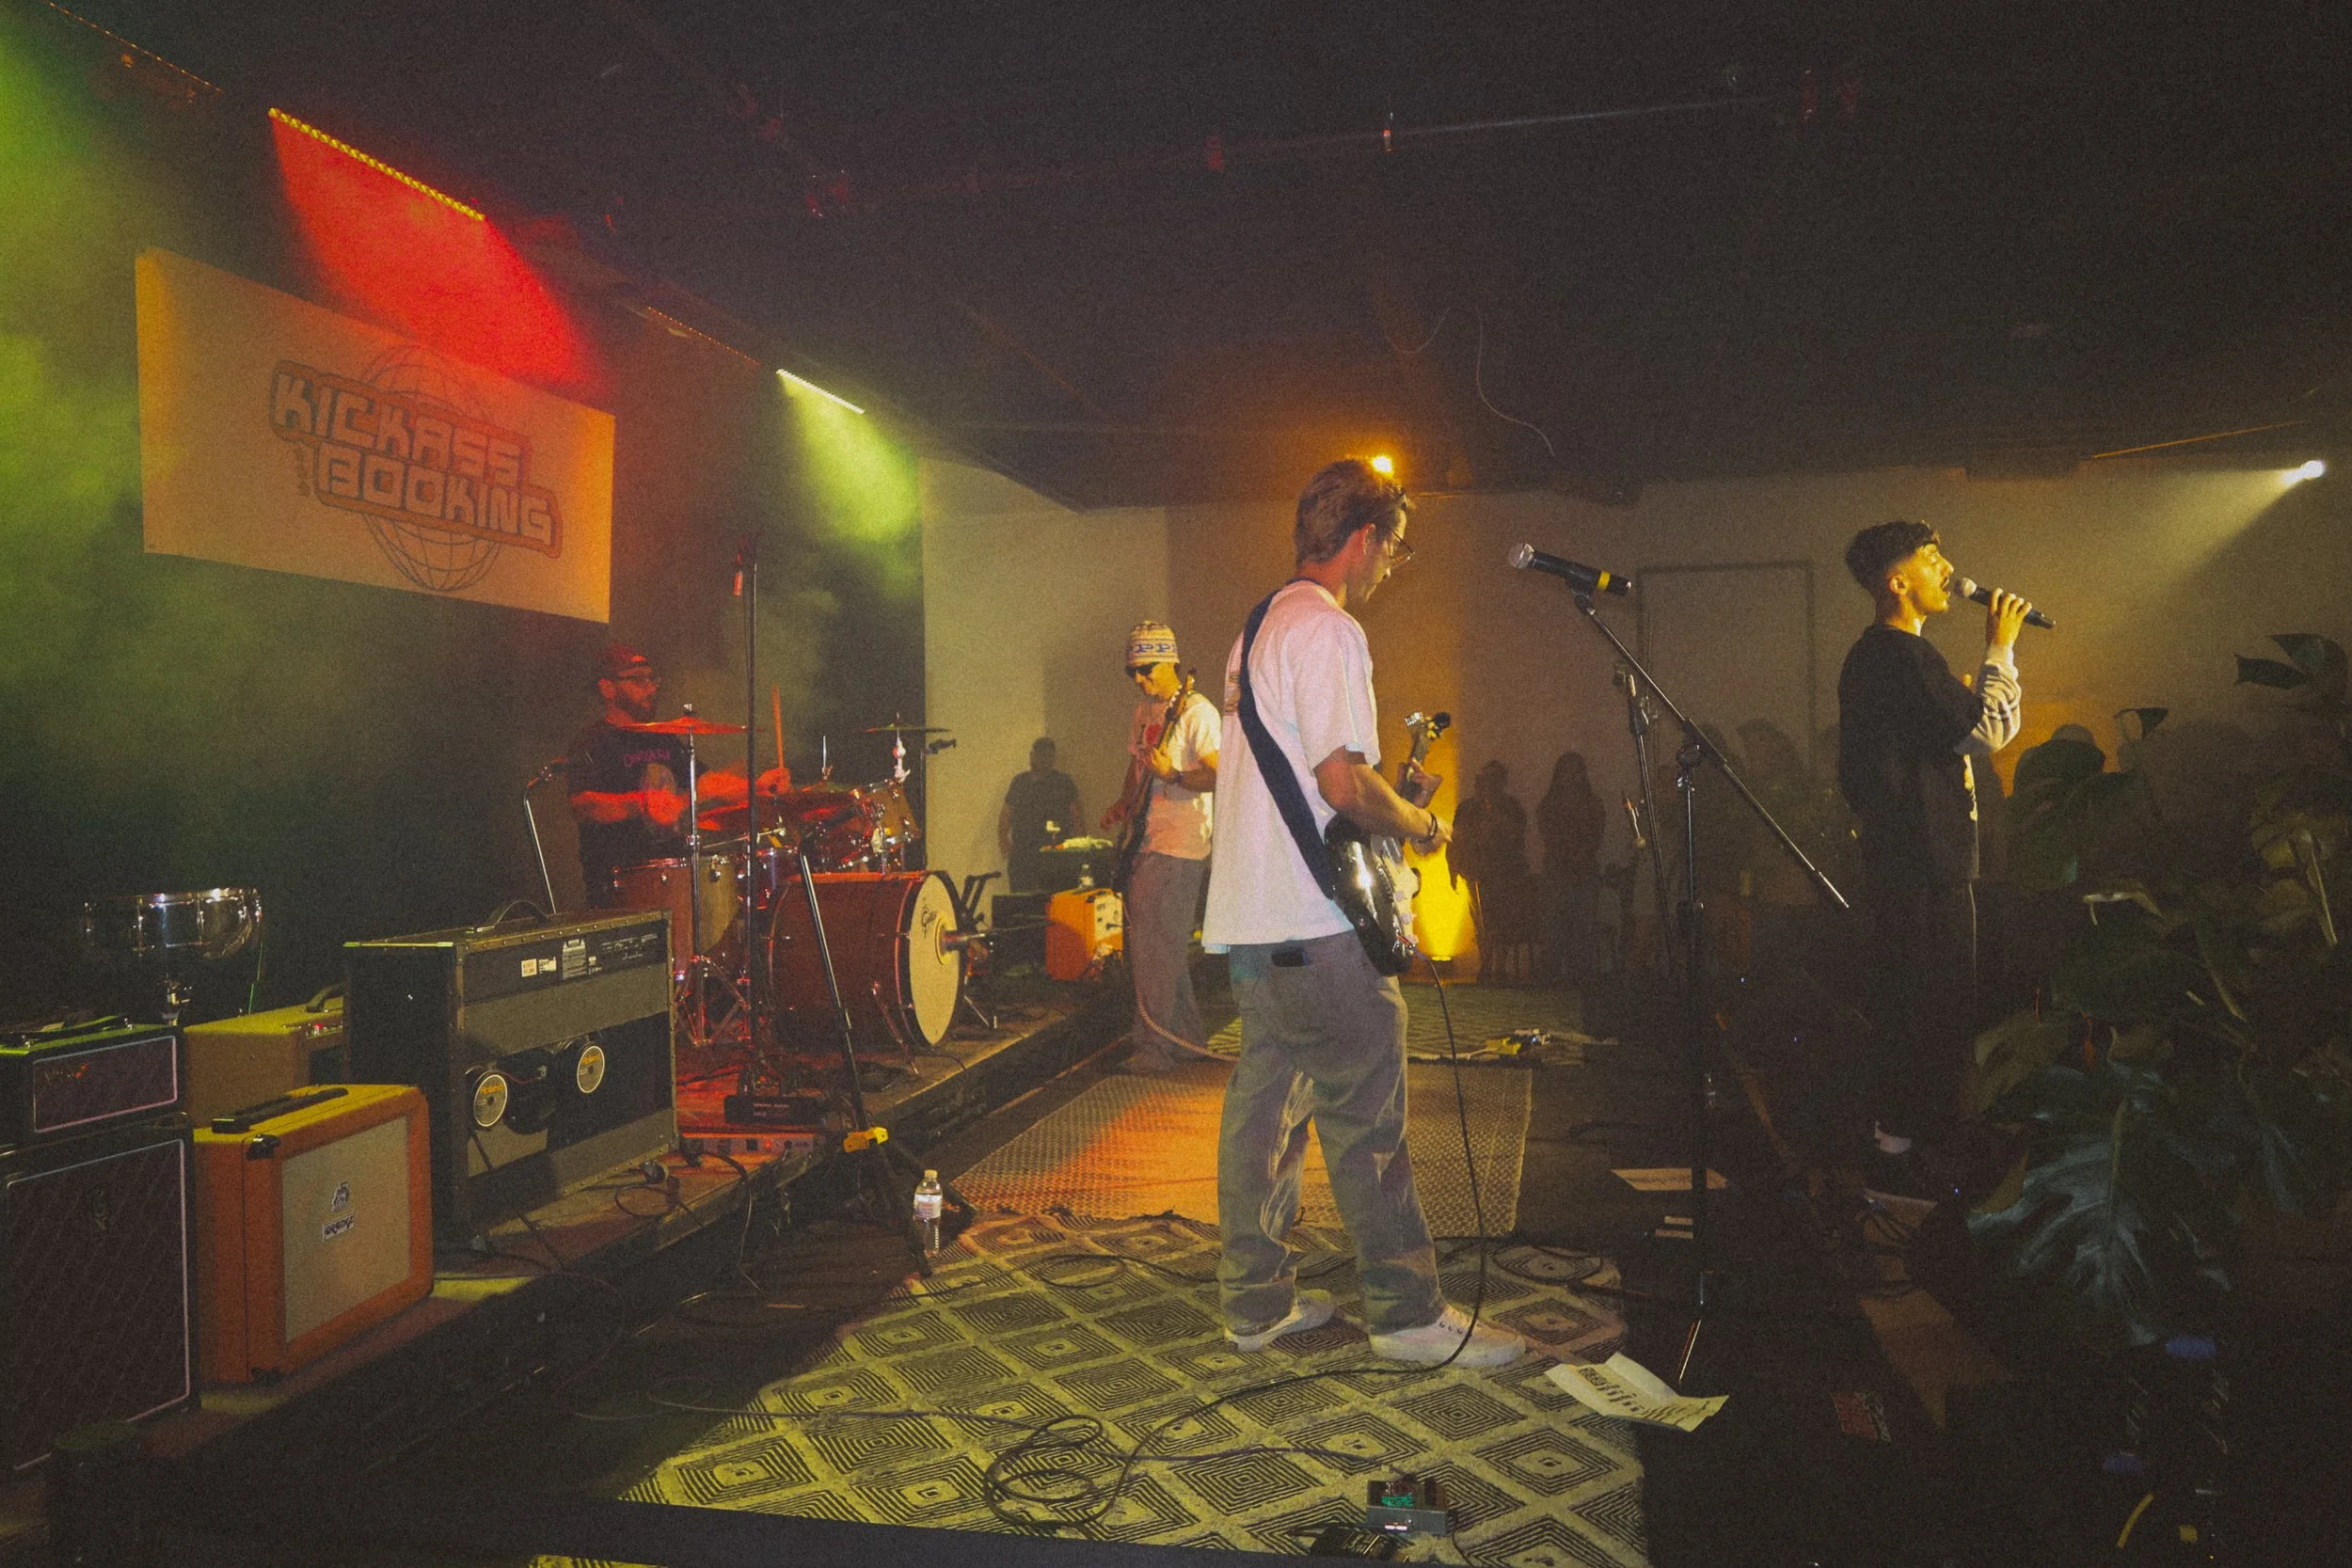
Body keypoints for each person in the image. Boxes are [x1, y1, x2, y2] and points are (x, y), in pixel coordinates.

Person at [1202, 457, 1529, 1368]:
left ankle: (1255, 1303)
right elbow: (1341, 781)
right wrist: (1422, 820)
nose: (1389, 563)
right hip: (1315, 922)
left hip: (1251, 922)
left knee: (1263, 1114)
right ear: (1363, 538)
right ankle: (1407, 1314)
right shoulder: (1330, 631)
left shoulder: (1256, 627)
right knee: (1366, 1113)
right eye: (1391, 545)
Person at [1836, 520, 2028, 1203]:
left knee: (1912, 1006)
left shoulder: (1883, 658)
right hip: (1925, 863)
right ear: (1897, 581)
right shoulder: (1901, 657)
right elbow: (1986, 730)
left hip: (1909, 859)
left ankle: (1900, 1150)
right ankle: (1917, 1161)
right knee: (1933, 1008)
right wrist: (2001, 648)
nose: (1948, 569)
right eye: (1931, 558)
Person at [567, 644, 786, 901]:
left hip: (676, 872)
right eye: (638, 680)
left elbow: (710, 783)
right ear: (608, 689)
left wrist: (759, 786)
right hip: (623, 882)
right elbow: (583, 805)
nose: (650, 688)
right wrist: (642, 803)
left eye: (652, 679)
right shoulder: (594, 741)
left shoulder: (662, 738)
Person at [1102, 622, 1220, 1073]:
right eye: (1132, 671)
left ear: (1169, 660)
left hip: (1180, 846)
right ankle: (1186, 1040)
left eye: (1147, 669)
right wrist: (1123, 804)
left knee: (1153, 952)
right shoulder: (1144, 714)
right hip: (1146, 840)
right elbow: (1137, 768)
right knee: (1161, 949)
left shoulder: (1198, 713)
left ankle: (1152, 1050)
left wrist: (1174, 775)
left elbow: (1220, 774)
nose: (1140, 679)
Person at [1447, 761, 1534, 984]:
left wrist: (1495, 816)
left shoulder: (1511, 808)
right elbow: (1455, 840)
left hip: (1505, 874)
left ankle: (1499, 966)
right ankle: (1485, 963)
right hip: (1476, 874)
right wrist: (1454, 870)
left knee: (1501, 921)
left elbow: (1517, 837)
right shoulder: (1467, 809)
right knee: (1481, 922)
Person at [1534, 751, 1606, 985]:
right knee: (1554, 927)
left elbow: (1596, 836)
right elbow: (1549, 835)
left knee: (1583, 928)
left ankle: (1583, 978)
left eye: (1576, 770)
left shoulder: (1593, 803)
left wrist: (1580, 857)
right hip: (1557, 871)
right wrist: (1567, 855)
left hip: (1584, 871)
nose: (1571, 776)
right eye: (1567, 770)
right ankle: (1551, 978)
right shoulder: (1549, 804)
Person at [998, 738, 1081, 893]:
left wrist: (1078, 853)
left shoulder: (1064, 782)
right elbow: (1006, 814)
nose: (1043, 759)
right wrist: (1004, 841)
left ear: (1053, 758)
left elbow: (1076, 818)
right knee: (1022, 905)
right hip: (1023, 856)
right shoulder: (1020, 782)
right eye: (1040, 754)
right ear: (1031, 756)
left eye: (1048, 755)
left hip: (1057, 857)